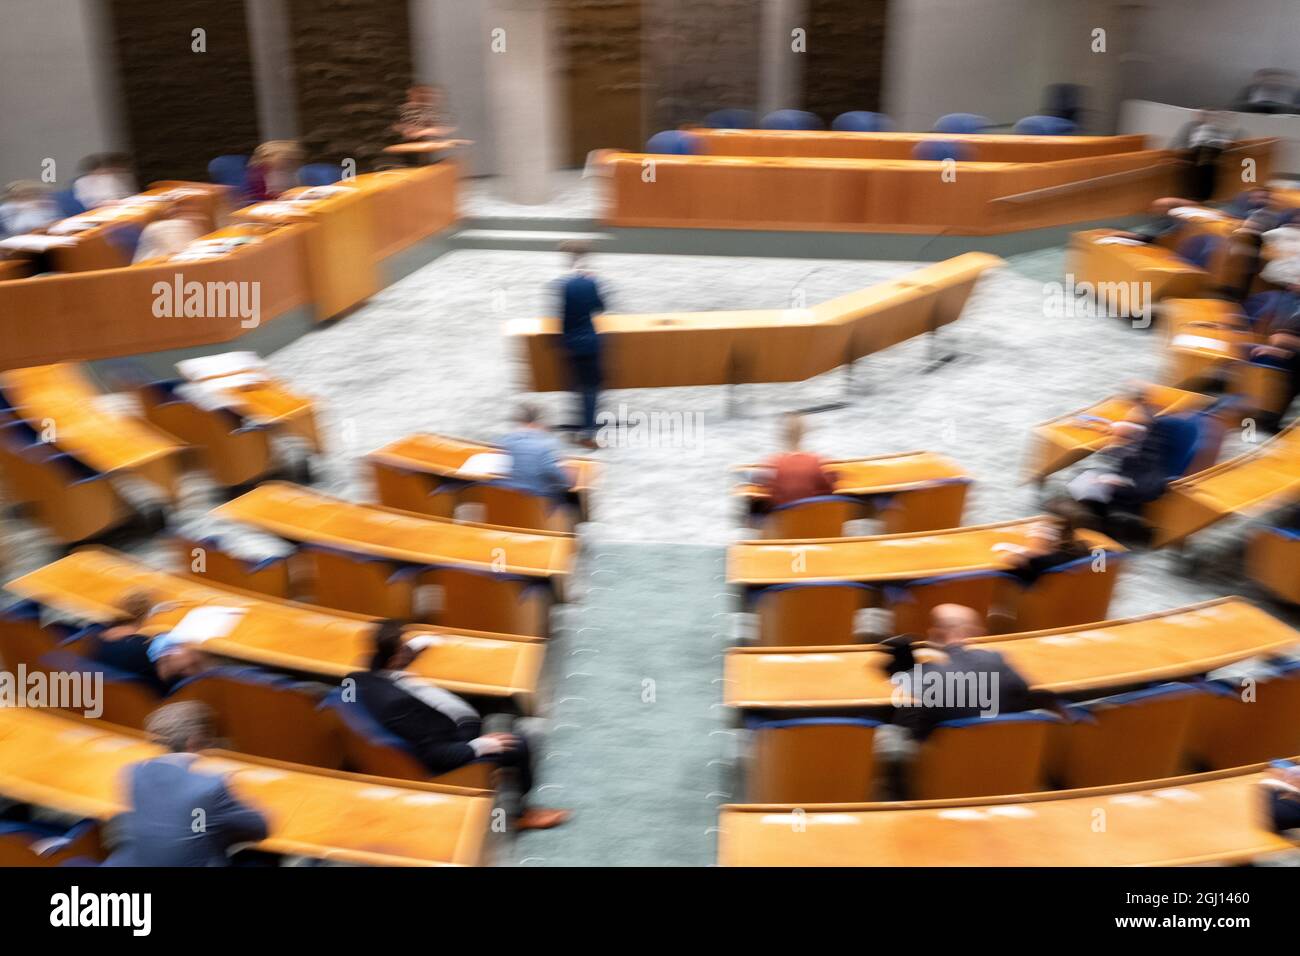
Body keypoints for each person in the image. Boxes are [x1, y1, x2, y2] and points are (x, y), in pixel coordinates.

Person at [345, 621, 571, 830]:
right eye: (404, 648)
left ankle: (498, 775)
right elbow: (436, 755)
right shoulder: (398, 706)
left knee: (486, 699)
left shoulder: (364, 674)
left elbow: (382, 662)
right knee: (519, 744)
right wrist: (480, 746)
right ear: (394, 658)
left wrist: (415, 646)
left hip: (441, 724)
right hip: (448, 751)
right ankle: (518, 814)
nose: (407, 651)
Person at [104, 701, 269, 866]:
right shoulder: (210, 786)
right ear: (193, 742)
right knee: (261, 859)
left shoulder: (134, 773)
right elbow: (259, 828)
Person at [885, 604, 1034, 741]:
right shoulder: (997, 660)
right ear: (977, 633)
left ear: (936, 634)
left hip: (942, 764)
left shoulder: (929, 674)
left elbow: (895, 687)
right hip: (1006, 759)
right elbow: (1023, 690)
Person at [88, 592, 214, 695]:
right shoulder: (147, 649)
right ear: (149, 616)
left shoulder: (92, 637)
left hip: (111, 699)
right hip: (155, 700)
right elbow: (191, 673)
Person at [554, 240, 606, 448]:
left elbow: (562, 315)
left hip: (569, 343)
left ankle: (576, 428)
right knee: (591, 389)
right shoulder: (591, 283)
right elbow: (600, 308)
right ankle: (588, 433)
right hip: (589, 344)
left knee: (575, 388)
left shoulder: (562, 286)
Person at [754, 414, 837, 509]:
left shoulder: (773, 463)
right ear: (803, 433)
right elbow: (829, 490)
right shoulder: (816, 461)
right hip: (814, 518)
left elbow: (765, 491)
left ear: (781, 436)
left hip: (785, 520)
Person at [499, 401, 574, 503]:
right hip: (534, 499)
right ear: (539, 423)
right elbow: (554, 473)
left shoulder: (506, 440)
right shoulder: (548, 444)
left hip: (507, 496)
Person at [131, 195, 208, 263]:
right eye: (180, 206)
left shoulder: (191, 225)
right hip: (149, 273)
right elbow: (178, 255)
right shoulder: (161, 228)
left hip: (172, 271)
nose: (191, 210)